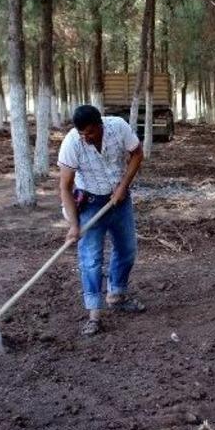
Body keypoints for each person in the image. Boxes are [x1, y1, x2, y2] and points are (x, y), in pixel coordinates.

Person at [58, 105, 145, 336]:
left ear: (100, 125)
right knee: (91, 259)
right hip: (90, 202)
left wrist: (123, 186)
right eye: (81, 134)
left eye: (90, 133)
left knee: (127, 250)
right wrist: (74, 225)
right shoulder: (72, 143)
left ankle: (116, 295)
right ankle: (94, 314)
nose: (85, 138)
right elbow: (65, 187)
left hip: (119, 200)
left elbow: (137, 153)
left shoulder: (118, 127)